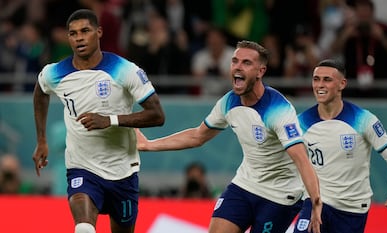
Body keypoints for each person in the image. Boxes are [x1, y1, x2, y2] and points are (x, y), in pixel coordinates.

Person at [135, 40, 322, 233]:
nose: (238, 67)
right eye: (235, 61)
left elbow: (301, 159)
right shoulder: (228, 102)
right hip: (246, 184)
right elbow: (198, 136)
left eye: (246, 63)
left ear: (260, 72)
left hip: (281, 195)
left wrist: (315, 203)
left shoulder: (278, 110)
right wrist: (149, 145)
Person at [32, 9, 165, 233]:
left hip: (122, 172)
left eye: (85, 31)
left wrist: (110, 120)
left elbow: (157, 115)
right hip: (81, 167)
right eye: (73, 33)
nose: (79, 38)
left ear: (99, 32)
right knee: (83, 228)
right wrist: (42, 139)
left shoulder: (125, 70)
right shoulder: (55, 73)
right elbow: (40, 92)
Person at [293, 59, 387, 233]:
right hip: (316, 203)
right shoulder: (300, 123)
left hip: (352, 209)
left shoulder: (364, 120)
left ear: (342, 84)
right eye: (316, 79)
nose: (320, 85)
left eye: (327, 80)